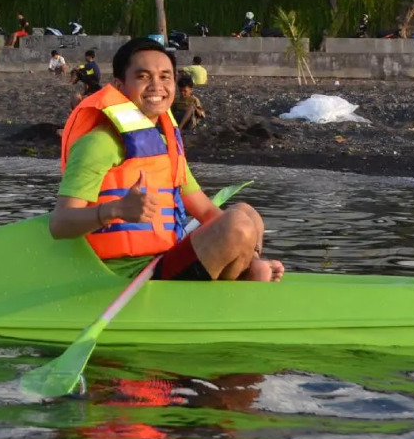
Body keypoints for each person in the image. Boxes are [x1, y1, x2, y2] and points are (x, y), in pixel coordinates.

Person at [50, 39, 283, 282]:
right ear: (119, 86)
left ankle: (249, 271)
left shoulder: (167, 145)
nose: (156, 86)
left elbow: (204, 210)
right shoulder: (98, 143)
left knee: (247, 214)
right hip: (128, 277)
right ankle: (249, 279)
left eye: (165, 77)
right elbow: (60, 223)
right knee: (237, 226)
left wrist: (248, 251)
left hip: (165, 260)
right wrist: (115, 209)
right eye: (143, 77)